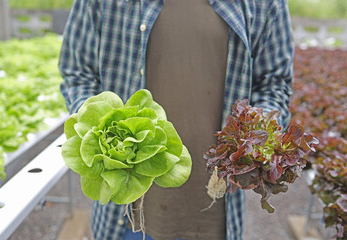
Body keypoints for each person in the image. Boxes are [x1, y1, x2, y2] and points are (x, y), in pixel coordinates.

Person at [58, 0, 294, 239]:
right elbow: (78, 74)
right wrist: (100, 134)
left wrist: (257, 136)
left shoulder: (263, 4)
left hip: (216, 215)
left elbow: (274, 83)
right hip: (126, 218)